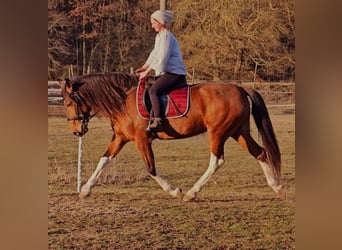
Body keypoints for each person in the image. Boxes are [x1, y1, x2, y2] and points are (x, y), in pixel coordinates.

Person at [135, 9, 187, 132]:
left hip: (174, 73)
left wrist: (147, 72)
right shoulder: (160, 36)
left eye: (154, 22)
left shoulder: (167, 36)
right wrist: (144, 67)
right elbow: (154, 54)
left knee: (153, 91)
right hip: (168, 72)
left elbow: (162, 57)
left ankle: (158, 121)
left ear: (161, 22)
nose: (152, 25)